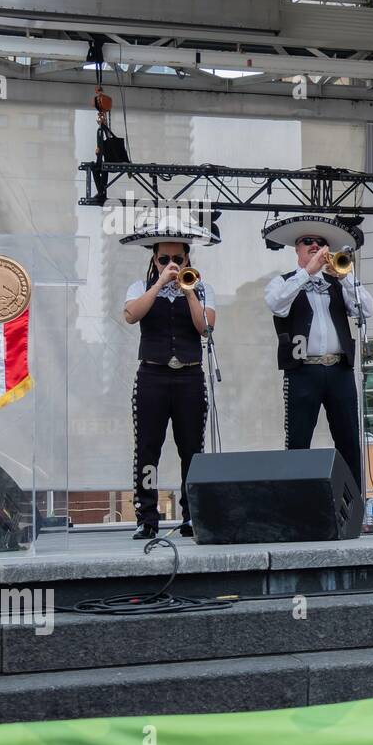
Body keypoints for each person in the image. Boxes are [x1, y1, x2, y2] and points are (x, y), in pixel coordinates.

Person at [121, 220, 219, 540]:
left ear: (188, 259)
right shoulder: (140, 287)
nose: (172, 265)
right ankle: (146, 516)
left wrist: (188, 291)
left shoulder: (202, 289)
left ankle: (192, 514)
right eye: (165, 259)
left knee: (191, 449)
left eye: (178, 259)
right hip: (152, 375)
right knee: (148, 448)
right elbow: (131, 314)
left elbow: (205, 327)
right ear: (154, 259)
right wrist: (160, 283)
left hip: (190, 375)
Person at [262, 215, 373, 493]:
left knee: (348, 439)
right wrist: (307, 273)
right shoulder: (283, 281)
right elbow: (277, 305)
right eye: (307, 242)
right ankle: (297, 502)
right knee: (299, 439)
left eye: (321, 242)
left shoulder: (338, 282)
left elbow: (366, 310)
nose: (315, 246)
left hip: (339, 370)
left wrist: (346, 279)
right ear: (297, 250)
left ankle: (354, 501)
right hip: (302, 371)